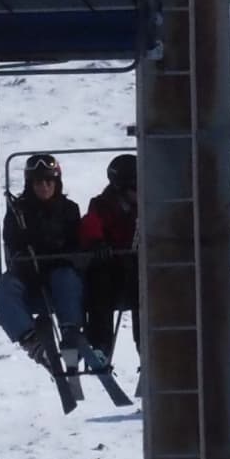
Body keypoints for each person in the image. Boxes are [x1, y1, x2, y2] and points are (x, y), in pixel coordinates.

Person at [0, 154, 99, 380]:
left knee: (66, 277)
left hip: (60, 276)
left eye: (49, 181)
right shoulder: (17, 212)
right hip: (30, 278)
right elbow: (12, 243)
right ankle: (32, 341)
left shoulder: (69, 209)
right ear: (30, 184)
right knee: (5, 287)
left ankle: (71, 333)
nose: (44, 186)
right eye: (38, 182)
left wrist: (65, 255)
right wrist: (25, 260)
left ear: (57, 182)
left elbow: (75, 243)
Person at [80, 153, 140, 367]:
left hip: (136, 268)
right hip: (110, 268)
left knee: (145, 291)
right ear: (120, 189)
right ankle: (100, 346)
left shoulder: (147, 208)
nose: (139, 194)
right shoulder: (102, 206)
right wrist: (97, 243)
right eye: (135, 189)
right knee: (99, 288)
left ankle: (148, 348)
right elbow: (90, 224)